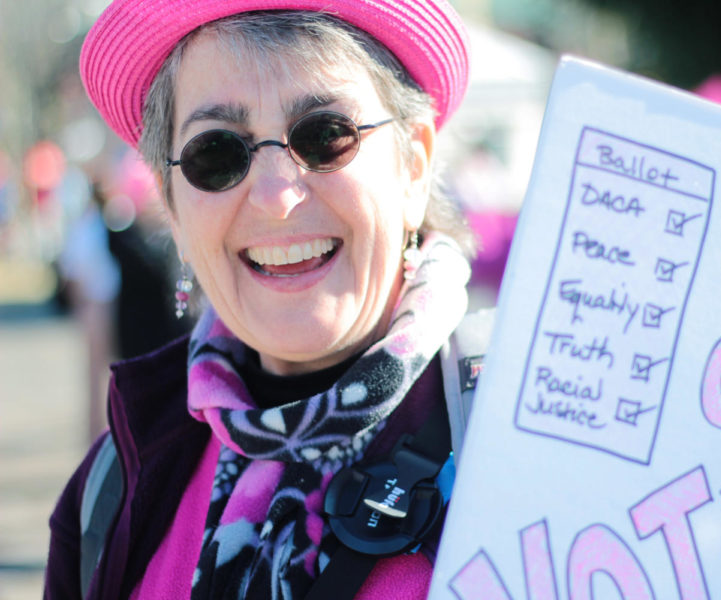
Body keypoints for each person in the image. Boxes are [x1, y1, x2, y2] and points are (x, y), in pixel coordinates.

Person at [44, 1, 475, 598]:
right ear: (172, 209)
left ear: (415, 166)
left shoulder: (531, 444)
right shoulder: (118, 481)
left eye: (325, 136)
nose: (275, 196)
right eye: (216, 153)